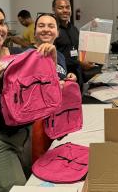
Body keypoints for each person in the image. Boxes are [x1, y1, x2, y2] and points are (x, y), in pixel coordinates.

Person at [0, 3, 57, 191]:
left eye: (2, 22)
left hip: (21, 137)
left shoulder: (20, 56)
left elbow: (45, 94)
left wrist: (50, 61)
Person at [30, 13, 77, 163]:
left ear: (57, 32)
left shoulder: (60, 56)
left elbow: (58, 77)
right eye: (41, 25)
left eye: (51, 26)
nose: (46, 29)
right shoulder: (28, 55)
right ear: (35, 31)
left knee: (59, 159)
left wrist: (68, 77)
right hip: (39, 122)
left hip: (59, 116)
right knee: (41, 163)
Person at [52, 0, 93, 90]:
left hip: (78, 75)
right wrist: (80, 62)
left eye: (67, 7)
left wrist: (86, 59)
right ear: (54, 9)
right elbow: (52, 58)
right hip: (63, 78)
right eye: (60, 8)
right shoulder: (52, 30)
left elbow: (79, 50)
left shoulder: (73, 29)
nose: (65, 10)